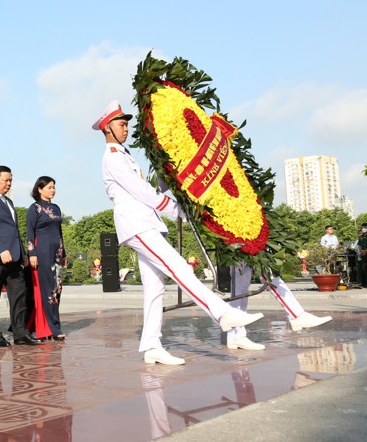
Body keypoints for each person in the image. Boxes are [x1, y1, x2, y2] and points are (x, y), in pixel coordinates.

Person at [93, 99, 264, 365]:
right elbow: (140, 192)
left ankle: (151, 346)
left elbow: (148, 188)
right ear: (107, 128)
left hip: (146, 222)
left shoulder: (125, 156)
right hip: (136, 223)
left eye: (127, 124)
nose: (126, 129)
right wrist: (174, 209)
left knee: (155, 288)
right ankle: (221, 314)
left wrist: (167, 180)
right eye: (121, 124)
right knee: (179, 267)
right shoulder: (113, 158)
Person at [0, 165, 39, 347]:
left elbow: (14, 231)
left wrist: (23, 253)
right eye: (5, 180)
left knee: (19, 295)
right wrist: (0, 249)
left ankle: (20, 333)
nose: (9, 183)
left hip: (15, 258)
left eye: (11, 180)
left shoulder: (9, 203)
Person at [26, 176, 67, 341]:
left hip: (56, 253)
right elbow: (30, 232)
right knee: (48, 290)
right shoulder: (34, 208)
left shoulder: (56, 208)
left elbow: (59, 232)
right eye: (49, 187)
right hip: (42, 253)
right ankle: (53, 328)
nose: (53, 190)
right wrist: (32, 254)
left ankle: (47, 325)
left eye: (54, 187)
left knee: (57, 289)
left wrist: (63, 254)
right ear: (39, 189)